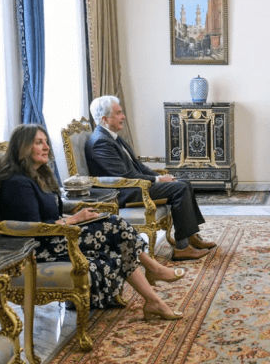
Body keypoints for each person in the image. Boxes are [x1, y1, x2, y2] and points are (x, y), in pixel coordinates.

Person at [0, 124, 185, 320]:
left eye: (46, 142)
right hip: (37, 248)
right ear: (23, 147)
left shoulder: (39, 175)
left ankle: (154, 299)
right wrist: (74, 220)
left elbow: (52, 214)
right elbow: (33, 229)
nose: (46, 147)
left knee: (113, 233)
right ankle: (154, 271)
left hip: (56, 237)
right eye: (38, 142)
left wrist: (76, 215)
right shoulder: (17, 183)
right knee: (114, 226)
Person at [84, 96, 215, 261]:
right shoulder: (101, 142)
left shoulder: (111, 136)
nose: (123, 116)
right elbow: (126, 177)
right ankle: (182, 249)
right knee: (179, 188)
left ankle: (191, 236)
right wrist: (159, 181)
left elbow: (137, 165)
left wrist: (160, 176)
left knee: (184, 183)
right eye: (118, 113)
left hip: (133, 185)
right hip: (122, 191)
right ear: (104, 119)